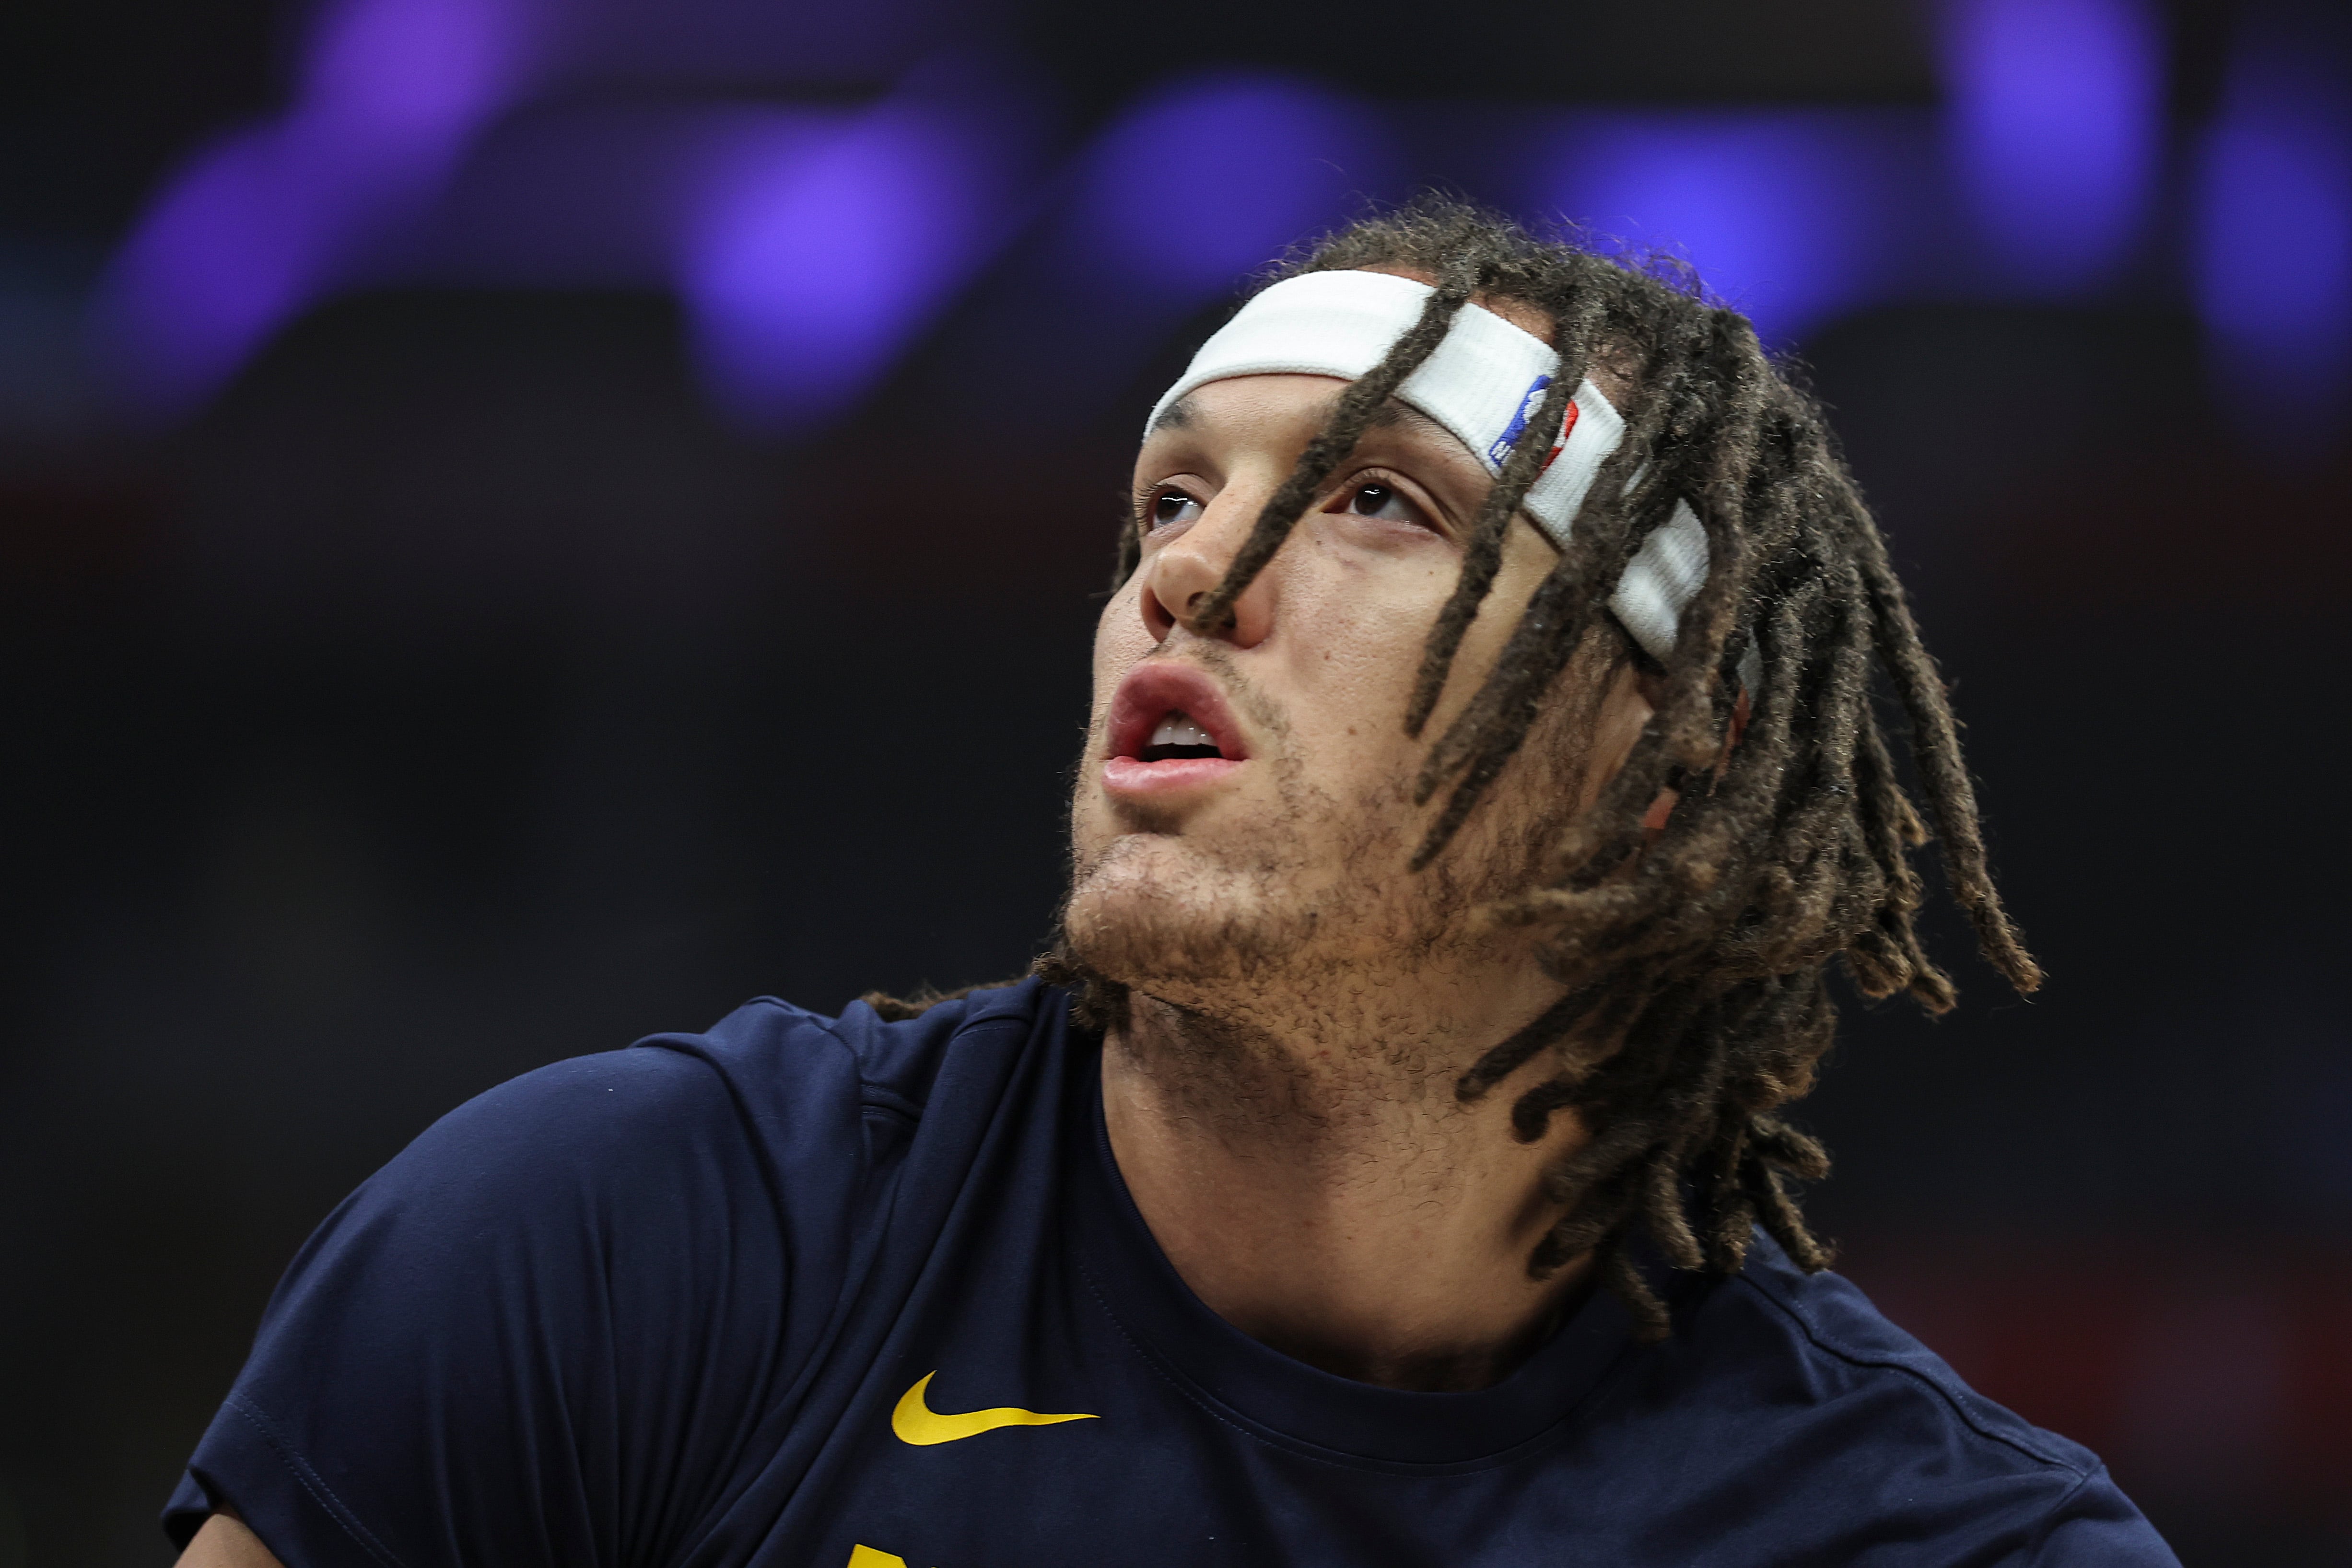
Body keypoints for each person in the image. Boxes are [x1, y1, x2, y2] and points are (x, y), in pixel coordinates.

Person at [168, 199, 2176, 1568]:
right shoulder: (625, 1245)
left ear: (1654, 765)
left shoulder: (1925, 1535)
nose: (1189, 571)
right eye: (1173, 493)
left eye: (1380, 499)